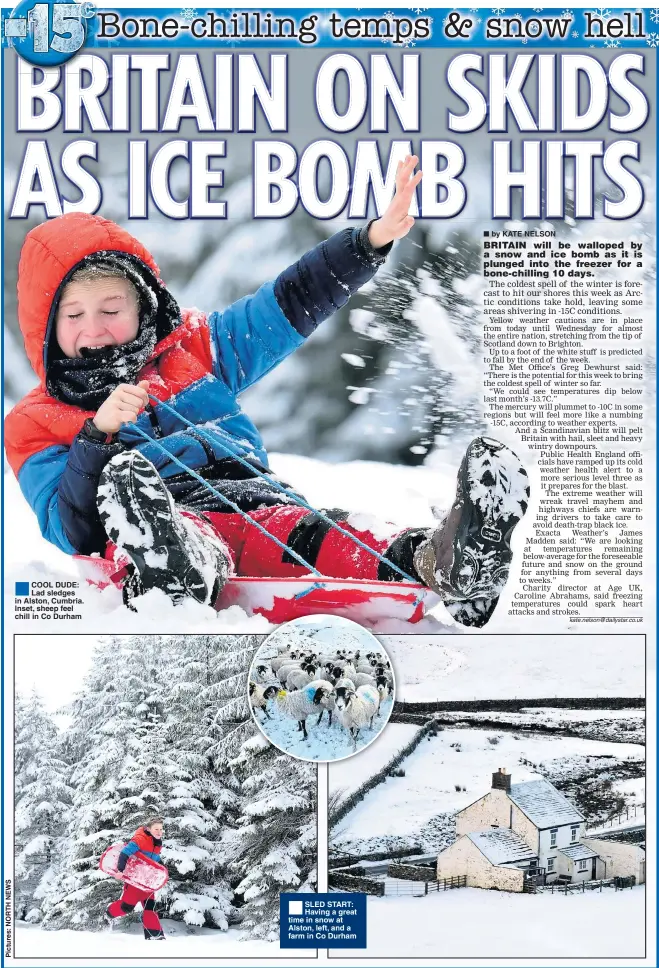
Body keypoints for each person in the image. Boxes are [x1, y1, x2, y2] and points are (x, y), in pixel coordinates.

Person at [4, 156, 529, 627]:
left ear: (144, 307)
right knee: (147, 504)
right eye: (74, 315)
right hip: (163, 517)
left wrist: (368, 242)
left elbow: (285, 306)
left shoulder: (194, 351)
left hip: (259, 507)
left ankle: (445, 561)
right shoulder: (35, 421)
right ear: (47, 330)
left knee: (327, 537)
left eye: (111, 310)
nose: (93, 328)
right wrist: (98, 436)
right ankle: (175, 566)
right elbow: (67, 526)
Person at [106, 817, 165, 940]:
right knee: (126, 908)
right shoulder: (140, 840)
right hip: (135, 882)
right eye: (156, 829)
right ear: (148, 829)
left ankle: (155, 937)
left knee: (150, 908)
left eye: (161, 829)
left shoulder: (157, 843)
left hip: (147, 883)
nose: (159, 832)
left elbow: (153, 859)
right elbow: (124, 853)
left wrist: (162, 869)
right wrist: (120, 871)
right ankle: (109, 913)